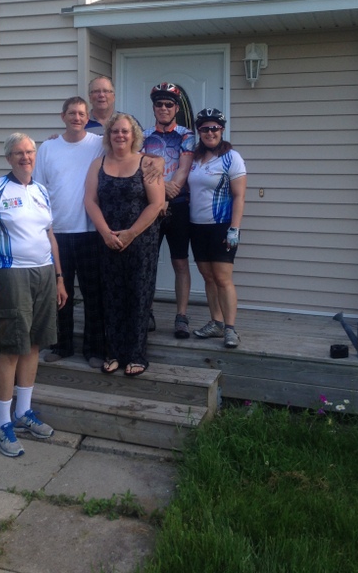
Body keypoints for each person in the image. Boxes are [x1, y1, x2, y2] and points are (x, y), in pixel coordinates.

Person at [0, 132, 68, 457]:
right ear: (9, 158)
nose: (25, 157)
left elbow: (50, 236)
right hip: (12, 274)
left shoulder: (41, 190)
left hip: (45, 273)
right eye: (18, 153)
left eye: (30, 152)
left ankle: (23, 412)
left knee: (35, 344)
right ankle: (2, 424)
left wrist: (59, 278)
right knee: (12, 347)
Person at [84, 113, 165, 376]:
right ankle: (114, 353)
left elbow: (156, 204)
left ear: (134, 136)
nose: (120, 135)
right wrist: (105, 233)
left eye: (125, 131)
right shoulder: (98, 164)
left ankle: (137, 355)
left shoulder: (147, 163)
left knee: (138, 296)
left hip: (141, 241)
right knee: (111, 296)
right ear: (108, 135)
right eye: (115, 131)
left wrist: (131, 234)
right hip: (108, 240)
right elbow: (90, 201)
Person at [34, 96, 106, 368]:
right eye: (72, 113)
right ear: (62, 116)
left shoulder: (99, 145)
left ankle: (94, 349)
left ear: (88, 118)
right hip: (57, 234)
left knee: (93, 294)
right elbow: (39, 189)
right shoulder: (48, 148)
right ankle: (62, 345)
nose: (77, 118)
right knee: (60, 294)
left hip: (90, 232)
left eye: (82, 114)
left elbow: (131, 146)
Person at [188, 109, 247, 349]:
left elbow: (239, 196)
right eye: (205, 129)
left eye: (214, 128)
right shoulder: (194, 158)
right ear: (199, 132)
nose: (210, 133)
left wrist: (235, 228)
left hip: (222, 226)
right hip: (197, 226)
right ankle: (216, 323)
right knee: (208, 277)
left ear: (222, 130)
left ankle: (230, 329)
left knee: (223, 279)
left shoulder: (232, 157)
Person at [142, 83, 195, 339]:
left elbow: (184, 168)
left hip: (178, 203)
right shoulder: (143, 136)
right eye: (159, 104)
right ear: (153, 107)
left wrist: (168, 193)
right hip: (151, 204)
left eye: (169, 104)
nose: (163, 108)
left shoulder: (186, 135)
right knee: (148, 261)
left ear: (176, 108)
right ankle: (147, 311)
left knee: (180, 261)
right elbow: (140, 169)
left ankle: (181, 316)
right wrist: (161, 195)